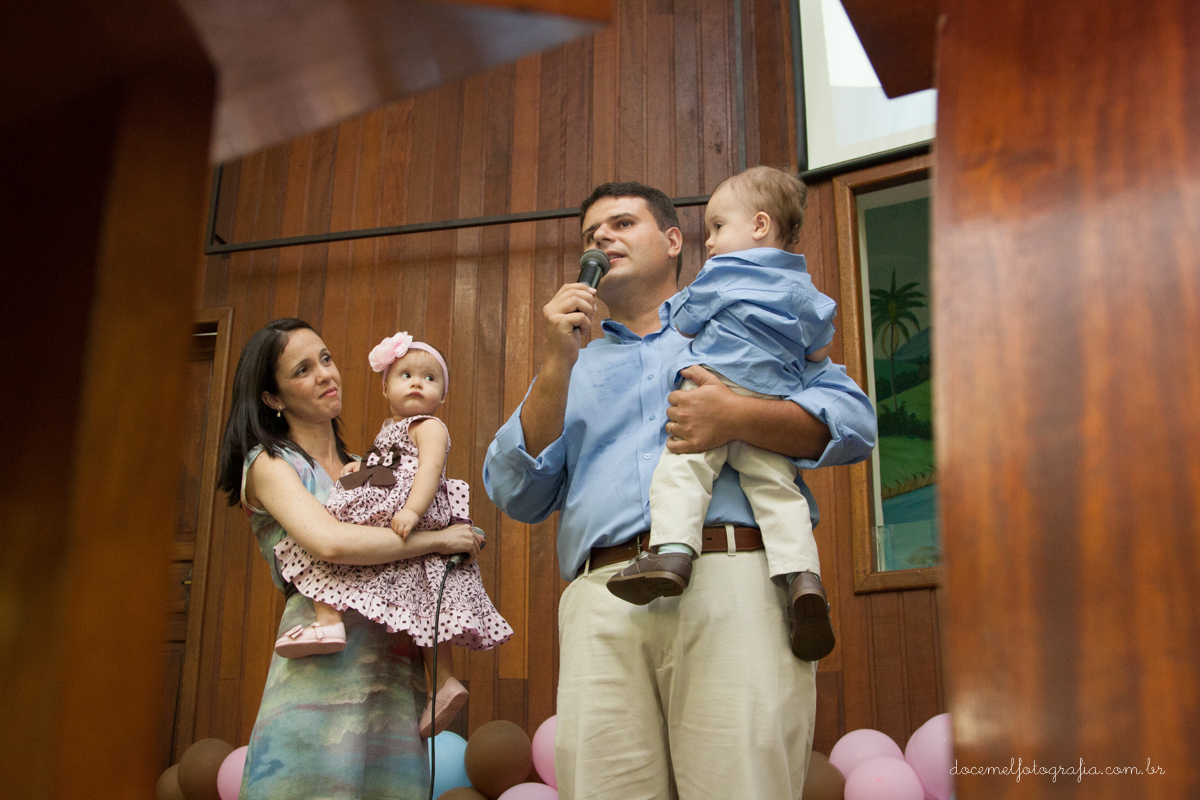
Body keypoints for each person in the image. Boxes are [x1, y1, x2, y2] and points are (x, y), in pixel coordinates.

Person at [483, 182, 875, 800]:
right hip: (603, 597)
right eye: (590, 235)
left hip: (734, 581)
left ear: (673, 242)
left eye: (619, 224)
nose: (601, 239)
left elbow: (853, 423)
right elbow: (514, 492)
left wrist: (736, 418)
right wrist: (558, 361)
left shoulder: (743, 315)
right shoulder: (571, 367)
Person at [216, 318, 485, 800]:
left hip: (396, 673)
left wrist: (452, 533)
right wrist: (438, 540)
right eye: (303, 369)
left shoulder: (371, 467)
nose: (325, 374)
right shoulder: (269, 464)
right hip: (321, 676)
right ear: (272, 397)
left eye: (325, 358)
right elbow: (332, 543)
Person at [606, 166, 838, 663]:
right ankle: (803, 579)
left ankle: (671, 552)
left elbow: (686, 321)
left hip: (712, 389)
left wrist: (684, 316)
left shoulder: (720, 275)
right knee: (779, 494)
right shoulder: (805, 291)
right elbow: (818, 350)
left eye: (716, 227)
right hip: (771, 406)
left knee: (683, 471)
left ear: (757, 226)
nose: (708, 242)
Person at [271, 330, 511, 738]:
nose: (417, 382)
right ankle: (438, 676)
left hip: (408, 511)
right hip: (391, 508)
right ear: (385, 386)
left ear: (443, 396)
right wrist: (356, 471)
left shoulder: (429, 426)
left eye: (430, 378)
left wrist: (412, 511)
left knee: (415, 589)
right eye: (405, 375)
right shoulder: (389, 431)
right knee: (414, 591)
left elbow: (429, 472)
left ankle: (334, 623)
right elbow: (382, 467)